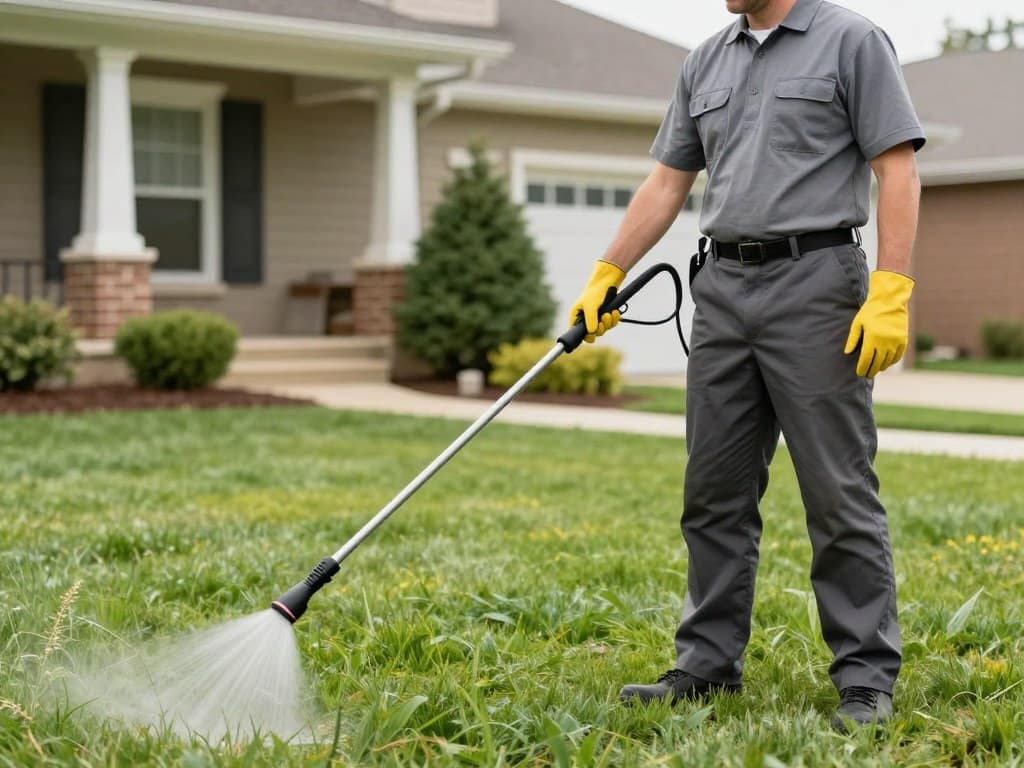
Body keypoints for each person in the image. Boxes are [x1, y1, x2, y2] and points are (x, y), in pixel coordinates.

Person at [568, 0, 925, 732]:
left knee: (836, 490)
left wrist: (892, 288)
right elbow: (668, 182)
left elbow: (897, 168)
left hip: (818, 282)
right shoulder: (706, 59)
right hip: (723, 288)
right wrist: (608, 268)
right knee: (714, 490)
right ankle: (705, 665)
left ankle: (864, 678)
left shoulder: (851, 40)